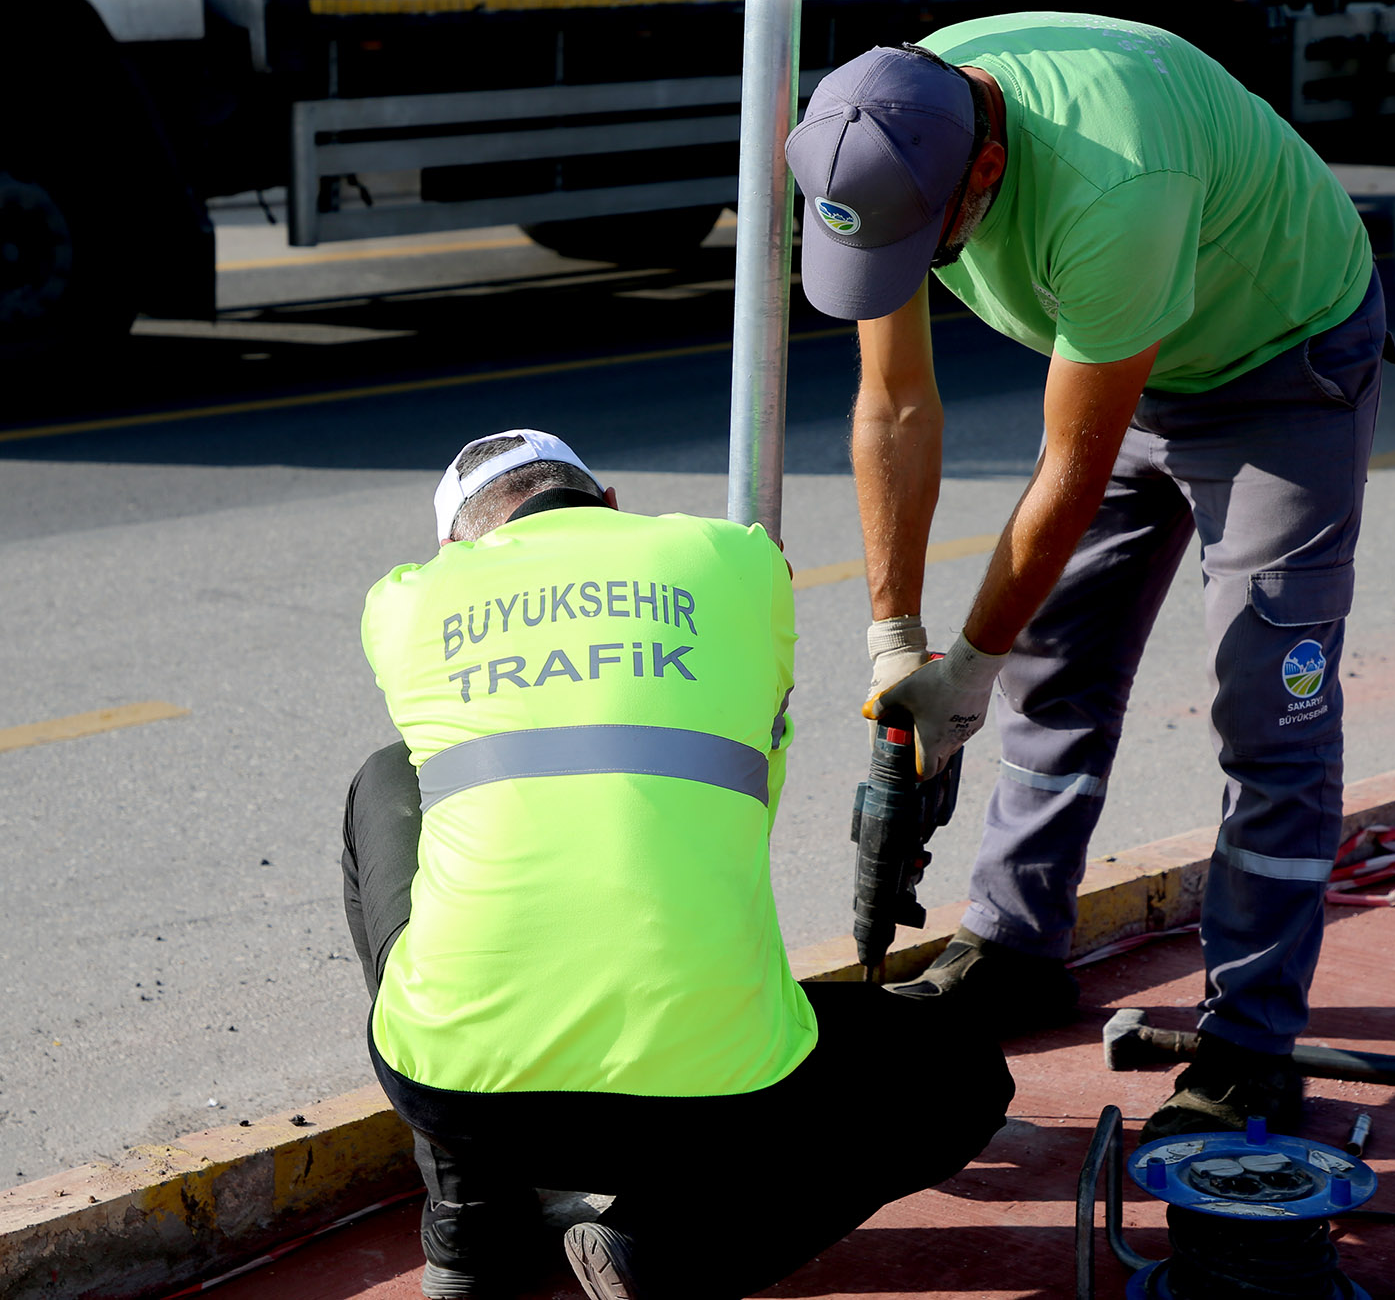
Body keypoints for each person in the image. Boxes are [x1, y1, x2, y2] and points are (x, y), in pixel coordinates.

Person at [784, 13, 1394, 1140]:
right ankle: (1013, 946)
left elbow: (1070, 463)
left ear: (986, 165)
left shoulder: (1112, 182)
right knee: (1053, 668)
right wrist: (895, 638)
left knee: (1271, 705)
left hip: (1277, 364)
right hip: (1118, 349)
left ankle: (1248, 1044)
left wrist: (963, 667)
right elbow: (893, 405)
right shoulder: (883, 127)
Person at [344, 429, 1012, 1300]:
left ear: (454, 549)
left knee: (391, 775)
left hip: (455, 1087)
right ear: (611, 502)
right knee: (957, 1068)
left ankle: (474, 1224)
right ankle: (662, 1248)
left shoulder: (404, 602)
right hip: (714, 1099)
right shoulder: (736, 559)